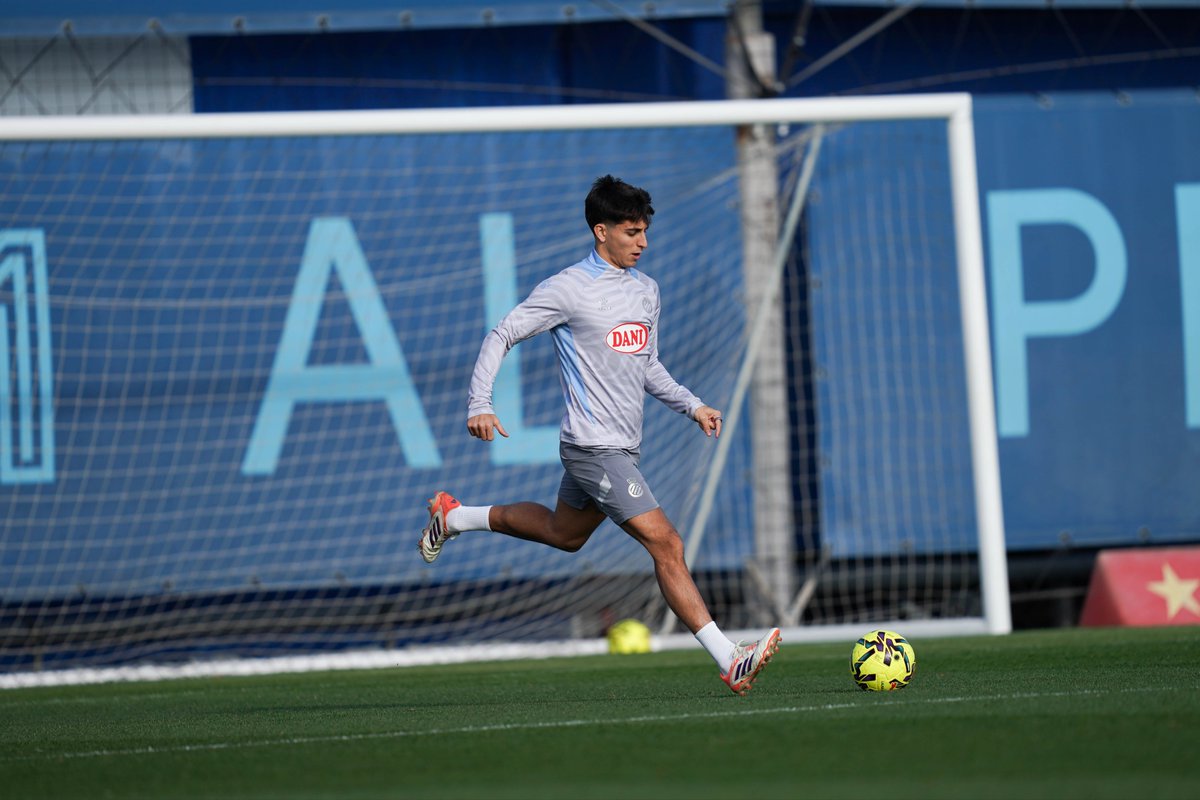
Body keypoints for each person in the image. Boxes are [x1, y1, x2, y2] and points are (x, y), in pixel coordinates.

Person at [420, 175, 780, 695]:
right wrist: (480, 402)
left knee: (564, 536)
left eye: (645, 231)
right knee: (668, 544)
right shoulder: (567, 288)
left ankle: (453, 517)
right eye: (632, 232)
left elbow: (648, 365)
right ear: (601, 230)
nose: (643, 242)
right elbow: (503, 333)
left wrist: (692, 404)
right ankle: (730, 656)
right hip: (593, 448)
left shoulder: (646, 290)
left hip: (621, 446)